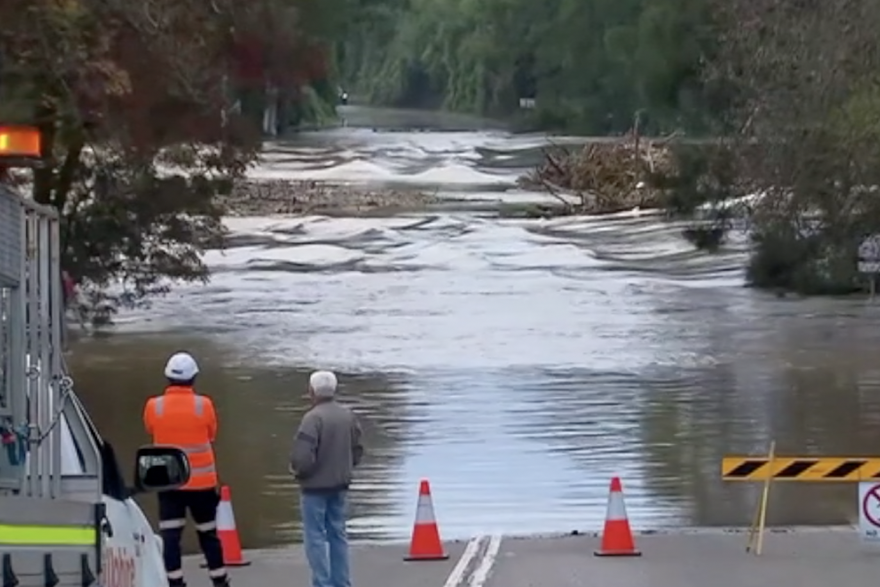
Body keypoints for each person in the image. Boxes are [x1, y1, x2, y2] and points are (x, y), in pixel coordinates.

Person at [143, 352, 230, 587]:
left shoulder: (154, 406)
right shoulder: (204, 405)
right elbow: (211, 435)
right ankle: (219, 581)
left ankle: (175, 582)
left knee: (171, 537)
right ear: (194, 378)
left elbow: (151, 429)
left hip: (169, 483)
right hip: (202, 484)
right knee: (208, 535)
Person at [290, 370, 365, 587]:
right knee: (338, 535)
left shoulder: (312, 418)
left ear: (312, 391)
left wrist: (298, 472)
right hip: (340, 484)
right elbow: (358, 448)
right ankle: (342, 582)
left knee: (315, 537)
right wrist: (347, 467)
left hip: (314, 487)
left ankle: (322, 583)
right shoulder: (348, 415)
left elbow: (303, 456)